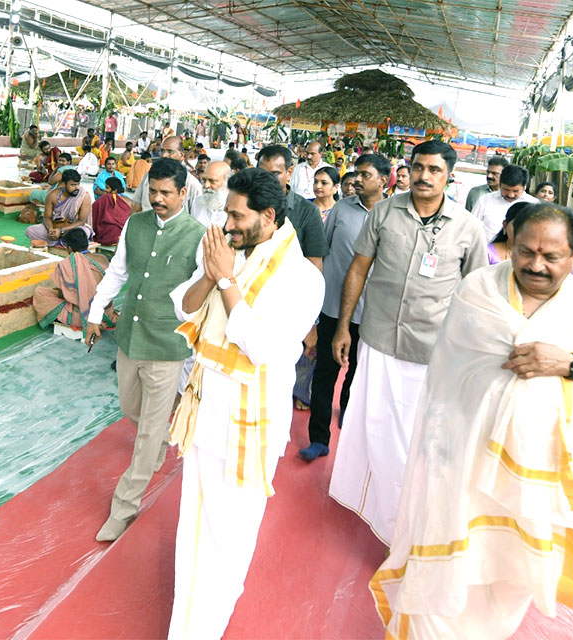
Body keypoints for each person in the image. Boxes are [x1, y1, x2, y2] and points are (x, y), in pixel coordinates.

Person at [371, 204, 573, 639]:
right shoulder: (478, 291)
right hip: (464, 462)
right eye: (526, 251)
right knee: (446, 571)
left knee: (508, 580)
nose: (535, 265)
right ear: (510, 240)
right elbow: (449, 376)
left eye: (551, 256)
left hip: (535, 482)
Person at [166, 167, 324, 638]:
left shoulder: (301, 278)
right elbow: (185, 305)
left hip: (249, 422)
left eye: (237, 215)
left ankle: (204, 623)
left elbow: (262, 346)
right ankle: (191, 614)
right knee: (194, 524)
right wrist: (213, 276)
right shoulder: (229, 252)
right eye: (226, 213)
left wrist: (226, 281)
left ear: (269, 216)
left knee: (231, 532)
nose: (228, 223)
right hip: (203, 408)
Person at [327, 140, 489, 544]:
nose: (423, 176)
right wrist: (344, 325)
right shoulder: (384, 212)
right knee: (376, 429)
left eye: (434, 169)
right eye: (418, 167)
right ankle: (385, 516)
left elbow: (476, 293)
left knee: (418, 441)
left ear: (449, 175)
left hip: (432, 351)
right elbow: (358, 269)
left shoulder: (468, 227)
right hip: (379, 341)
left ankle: (407, 520)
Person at [84, 158, 206, 542]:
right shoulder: (134, 225)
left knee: (149, 430)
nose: (157, 199)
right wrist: (95, 311)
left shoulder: (200, 235)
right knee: (129, 407)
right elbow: (118, 271)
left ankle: (123, 508)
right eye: (152, 191)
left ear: (183, 193)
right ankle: (158, 437)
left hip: (168, 344)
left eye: (166, 193)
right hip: (130, 336)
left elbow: (202, 295)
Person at [298, 153, 390, 462]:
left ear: (383, 180)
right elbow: (322, 250)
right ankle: (318, 439)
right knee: (325, 373)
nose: (358, 180)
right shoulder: (342, 208)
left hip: (372, 313)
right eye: (357, 174)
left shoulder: (393, 214)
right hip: (333, 307)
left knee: (358, 377)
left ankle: (350, 434)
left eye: (366, 175)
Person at [255, 145, 329, 268]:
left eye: (275, 174)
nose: (267, 180)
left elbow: (314, 265)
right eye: (262, 174)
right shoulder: (246, 204)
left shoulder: (308, 212)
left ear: (289, 172)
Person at [33, 228, 112, 329]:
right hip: (106, 313)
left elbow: (64, 296)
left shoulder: (66, 265)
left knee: (40, 293)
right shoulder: (103, 258)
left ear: (69, 248)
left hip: (84, 317)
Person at [133, 136, 202, 214]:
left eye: (170, 151)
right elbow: (136, 207)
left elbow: (197, 219)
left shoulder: (192, 184)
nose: (164, 155)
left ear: (182, 155)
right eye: (162, 151)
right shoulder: (148, 176)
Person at [26, 170, 92, 247]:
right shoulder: (53, 195)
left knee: (83, 233)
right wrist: (51, 230)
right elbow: (47, 218)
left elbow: (81, 221)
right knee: (30, 231)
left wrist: (62, 230)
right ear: (63, 184)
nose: (76, 188)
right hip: (56, 225)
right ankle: (61, 242)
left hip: (74, 228)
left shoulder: (84, 196)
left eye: (78, 184)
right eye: (73, 185)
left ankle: (59, 242)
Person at [472, 165, 537, 241]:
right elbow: (472, 227)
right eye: (506, 190)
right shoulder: (484, 200)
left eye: (516, 191)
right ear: (500, 185)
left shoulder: (534, 205)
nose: (510, 195)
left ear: (524, 187)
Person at [90, 177, 131, 246]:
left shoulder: (106, 198)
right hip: (124, 236)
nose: (105, 190)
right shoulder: (128, 200)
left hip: (109, 235)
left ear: (114, 190)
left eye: (107, 187)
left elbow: (91, 213)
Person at [191, 160, 230, 229]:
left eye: (212, 181)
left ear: (226, 182)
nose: (206, 185)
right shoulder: (197, 201)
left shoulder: (233, 206)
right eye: (204, 180)